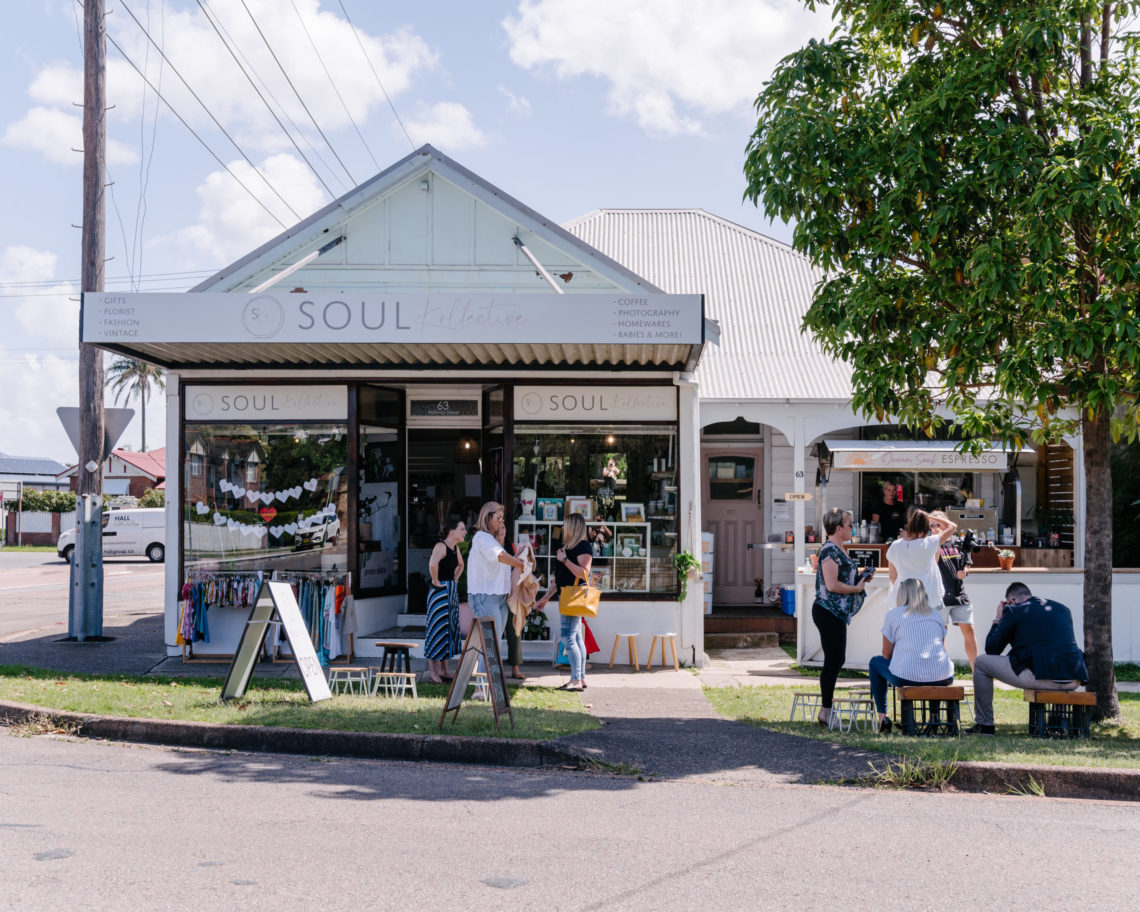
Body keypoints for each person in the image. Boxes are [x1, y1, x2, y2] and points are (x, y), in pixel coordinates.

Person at [968, 582, 1089, 735]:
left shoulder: (1013, 610)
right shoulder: (1063, 609)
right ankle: (1057, 720)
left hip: (1041, 676)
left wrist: (998, 618)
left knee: (981, 662)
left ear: (1011, 601)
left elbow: (992, 649)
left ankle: (984, 725)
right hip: (1073, 678)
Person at [868, 578, 955, 733]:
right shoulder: (935, 615)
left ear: (902, 595)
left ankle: (883, 716)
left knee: (875, 663)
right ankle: (934, 717)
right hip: (944, 675)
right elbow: (941, 647)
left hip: (906, 675)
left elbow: (886, 654)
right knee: (933, 669)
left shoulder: (894, 614)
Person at [812, 507, 873, 726]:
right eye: (850, 525)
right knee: (834, 660)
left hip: (836, 612)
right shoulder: (829, 551)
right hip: (828, 611)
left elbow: (842, 577)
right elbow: (832, 585)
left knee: (837, 659)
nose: (853, 528)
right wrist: (856, 589)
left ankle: (826, 710)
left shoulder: (840, 549)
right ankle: (826, 712)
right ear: (839, 528)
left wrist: (860, 576)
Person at [467, 502, 526, 691]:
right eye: (498, 518)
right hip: (486, 597)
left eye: (503, 519)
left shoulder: (490, 539)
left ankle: (488, 686)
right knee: (490, 644)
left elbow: (499, 559)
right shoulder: (482, 537)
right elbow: (499, 557)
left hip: (498, 598)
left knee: (493, 644)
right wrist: (519, 563)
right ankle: (481, 688)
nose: (501, 522)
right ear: (487, 517)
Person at [536, 512, 593, 691]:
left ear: (573, 527)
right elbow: (559, 581)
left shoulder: (583, 546)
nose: (562, 528)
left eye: (565, 524)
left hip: (573, 597)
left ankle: (575, 680)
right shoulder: (567, 547)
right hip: (566, 595)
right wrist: (545, 598)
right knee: (576, 638)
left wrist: (565, 560)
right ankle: (580, 678)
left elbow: (584, 573)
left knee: (568, 638)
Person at [929, 511, 979, 668]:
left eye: (938, 524)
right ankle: (941, 671)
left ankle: (976, 673)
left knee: (969, 632)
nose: (935, 527)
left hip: (959, 594)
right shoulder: (930, 543)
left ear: (946, 524)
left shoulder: (958, 542)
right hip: (939, 596)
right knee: (940, 636)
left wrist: (965, 571)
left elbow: (967, 561)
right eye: (932, 525)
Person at [885, 508, 957, 607]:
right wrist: (931, 516)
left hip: (904, 599)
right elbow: (952, 526)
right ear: (926, 529)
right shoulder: (929, 543)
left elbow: (892, 576)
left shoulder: (895, 546)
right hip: (930, 598)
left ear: (909, 525)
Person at [424, 518, 465, 684]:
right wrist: (436, 581)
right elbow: (433, 564)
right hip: (440, 592)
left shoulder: (455, 548)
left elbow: (461, 565)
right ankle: (433, 671)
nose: (465, 532)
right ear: (452, 532)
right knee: (437, 628)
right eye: (462, 529)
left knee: (449, 629)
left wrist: (455, 579)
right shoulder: (441, 546)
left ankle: (444, 670)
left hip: (450, 591)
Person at [494, 519, 529, 680]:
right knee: (496, 632)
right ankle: (497, 667)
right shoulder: (492, 547)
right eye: (499, 527)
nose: (502, 530)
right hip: (496, 594)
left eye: (504, 527)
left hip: (511, 594)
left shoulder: (510, 547)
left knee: (514, 630)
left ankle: (515, 667)